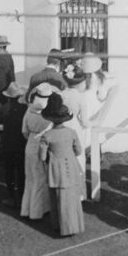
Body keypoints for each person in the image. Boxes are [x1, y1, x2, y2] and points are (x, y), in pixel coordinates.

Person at [38, 96, 86, 237]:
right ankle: (74, 226)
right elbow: (79, 151)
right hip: (70, 166)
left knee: (57, 198)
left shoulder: (47, 135)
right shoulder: (71, 133)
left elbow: (41, 156)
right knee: (71, 197)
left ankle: (59, 225)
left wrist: (48, 159)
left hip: (55, 169)